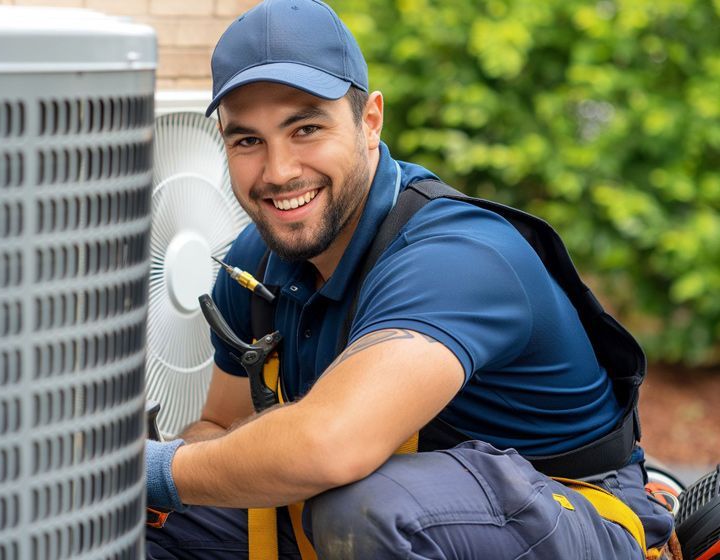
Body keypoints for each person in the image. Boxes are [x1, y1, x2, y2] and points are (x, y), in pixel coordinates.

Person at [144, 0, 674, 557]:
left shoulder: (456, 256)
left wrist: (150, 466)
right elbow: (216, 427)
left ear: (370, 121)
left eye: (305, 128)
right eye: (247, 140)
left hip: (574, 520)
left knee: (364, 508)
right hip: (347, 510)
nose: (278, 173)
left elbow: (331, 445)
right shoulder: (257, 258)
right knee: (151, 515)